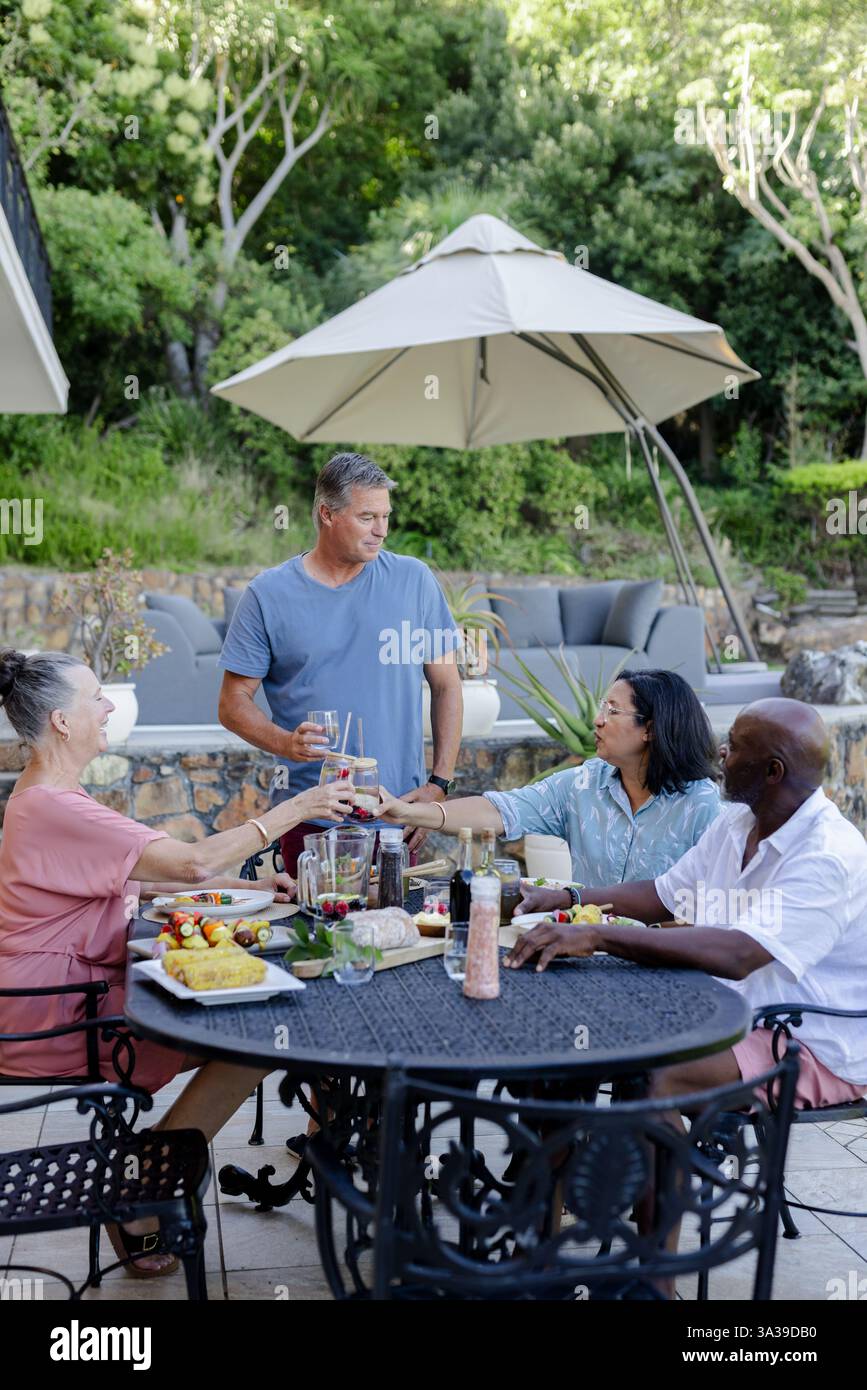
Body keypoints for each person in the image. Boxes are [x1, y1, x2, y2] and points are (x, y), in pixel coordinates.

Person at [0, 649, 354, 1276]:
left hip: (66, 989)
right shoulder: (52, 805)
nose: (108, 706)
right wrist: (297, 809)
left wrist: (244, 892)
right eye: (96, 698)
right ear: (60, 721)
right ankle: (136, 1188)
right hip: (52, 1012)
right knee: (253, 1036)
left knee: (250, 1029)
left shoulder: (50, 797)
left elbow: (129, 882)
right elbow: (189, 863)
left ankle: (143, 1176)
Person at [506, 697, 867, 1109]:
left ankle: (655, 1172)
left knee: (652, 1073)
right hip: (731, 1008)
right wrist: (568, 898)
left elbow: (738, 954)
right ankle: (559, 1165)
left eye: (734, 745)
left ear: (773, 771)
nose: (721, 753)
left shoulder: (828, 856)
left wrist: (595, 935)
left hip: (808, 1041)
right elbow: (663, 894)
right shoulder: (739, 821)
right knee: (569, 1028)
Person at [217, 451, 463, 873]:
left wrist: (438, 785)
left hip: (394, 815)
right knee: (311, 934)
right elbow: (232, 702)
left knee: (394, 934)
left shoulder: (415, 581)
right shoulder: (268, 594)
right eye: (368, 517)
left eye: (386, 516)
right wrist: (285, 743)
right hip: (307, 817)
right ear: (327, 513)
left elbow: (447, 686)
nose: (381, 530)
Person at [379, 669, 722, 887]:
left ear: (650, 728)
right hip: (588, 946)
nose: (598, 720)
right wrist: (407, 812)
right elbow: (500, 810)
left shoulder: (700, 805)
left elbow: (713, 906)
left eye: (612, 711)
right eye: (603, 707)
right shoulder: (583, 785)